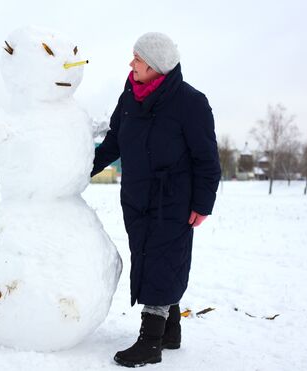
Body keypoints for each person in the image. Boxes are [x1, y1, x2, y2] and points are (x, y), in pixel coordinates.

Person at [91, 32, 221, 367]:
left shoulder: (190, 102)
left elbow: (207, 159)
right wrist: (82, 168)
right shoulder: (130, 97)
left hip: (173, 199)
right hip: (135, 196)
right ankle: (170, 331)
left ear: (154, 65)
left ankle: (150, 342)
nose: (130, 63)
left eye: (136, 57)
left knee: (163, 261)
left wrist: (203, 204)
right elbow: (113, 142)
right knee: (149, 259)